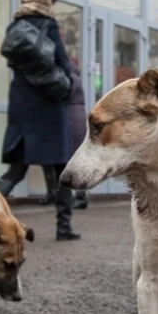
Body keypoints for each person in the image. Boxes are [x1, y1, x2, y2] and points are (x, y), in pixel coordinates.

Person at [0, 0, 80, 241]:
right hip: (48, 104)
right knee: (62, 168)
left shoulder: (15, 27)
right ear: (45, 1)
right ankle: (63, 227)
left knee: (16, 170)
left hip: (21, 104)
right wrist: (68, 85)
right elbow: (62, 61)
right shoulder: (47, 25)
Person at [66, 58, 89, 210]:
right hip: (79, 118)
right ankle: (81, 196)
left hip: (71, 118)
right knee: (77, 159)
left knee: (68, 160)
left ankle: (78, 197)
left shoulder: (69, 78)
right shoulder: (77, 78)